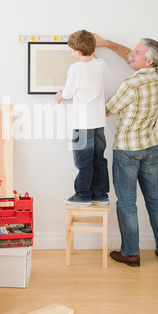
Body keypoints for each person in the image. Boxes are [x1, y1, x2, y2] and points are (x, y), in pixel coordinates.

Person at [94, 34, 158, 267]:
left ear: (148, 61)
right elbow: (132, 55)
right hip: (150, 147)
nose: (132, 54)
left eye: (137, 53)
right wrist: (106, 43)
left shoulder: (130, 84)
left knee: (126, 202)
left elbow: (107, 109)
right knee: (156, 198)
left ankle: (131, 253)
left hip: (127, 151)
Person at [55, 30, 109, 206]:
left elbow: (69, 93)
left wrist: (59, 95)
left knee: (83, 160)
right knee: (98, 159)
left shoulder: (75, 68)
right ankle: (100, 194)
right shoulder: (101, 64)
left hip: (82, 123)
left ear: (77, 52)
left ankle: (83, 195)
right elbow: (94, 57)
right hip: (98, 122)